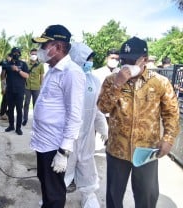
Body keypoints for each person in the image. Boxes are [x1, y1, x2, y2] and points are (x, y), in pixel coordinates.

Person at [97, 36, 180, 208]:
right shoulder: (112, 80)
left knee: (147, 197)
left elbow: (171, 113)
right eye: (124, 59)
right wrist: (118, 84)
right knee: (114, 195)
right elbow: (103, 108)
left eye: (131, 59)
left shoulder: (160, 82)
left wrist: (168, 139)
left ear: (145, 59)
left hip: (146, 151)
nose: (126, 63)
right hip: (117, 150)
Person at [30, 24, 86, 208]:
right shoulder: (53, 70)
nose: (40, 50)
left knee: (54, 193)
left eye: (44, 46)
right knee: (46, 183)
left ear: (59, 47)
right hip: (43, 142)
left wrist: (63, 151)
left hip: (55, 145)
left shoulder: (72, 73)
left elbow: (75, 115)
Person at [65, 42, 108, 208]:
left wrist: (105, 132)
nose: (91, 62)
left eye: (91, 59)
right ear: (78, 59)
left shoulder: (94, 81)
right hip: (67, 136)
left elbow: (97, 111)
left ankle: (88, 196)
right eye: (88, 59)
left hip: (87, 136)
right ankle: (53, 198)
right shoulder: (65, 78)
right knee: (63, 168)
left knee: (87, 166)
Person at [3, 47, 29, 135]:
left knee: (19, 110)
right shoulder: (7, 64)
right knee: (10, 110)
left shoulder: (23, 64)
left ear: (20, 54)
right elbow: (2, 77)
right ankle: (11, 126)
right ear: (12, 54)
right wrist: (5, 68)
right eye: (14, 53)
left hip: (20, 91)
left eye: (18, 53)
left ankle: (18, 128)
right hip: (10, 90)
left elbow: (26, 76)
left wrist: (18, 70)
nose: (16, 54)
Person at [22, 48, 44, 126]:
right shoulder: (26, 64)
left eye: (35, 54)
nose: (34, 55)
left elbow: (41, 76)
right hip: (27, 87)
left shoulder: (40, 65)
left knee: (36, 104)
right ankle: (25, 119)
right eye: (32, 54)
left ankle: (36, 120)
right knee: (26, 103)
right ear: (30, 54)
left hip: (36, 87)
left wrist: (41, 86)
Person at [0, 54, 12, 120]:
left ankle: (7, 113)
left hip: (12, 84)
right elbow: (2, 76)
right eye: (9, 56)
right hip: (5, 83)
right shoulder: (5, 64)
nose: (10, 58)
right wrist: (3, 87)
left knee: (11, 101)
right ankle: (2, 114)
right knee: (5, 99)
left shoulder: (13, 64)